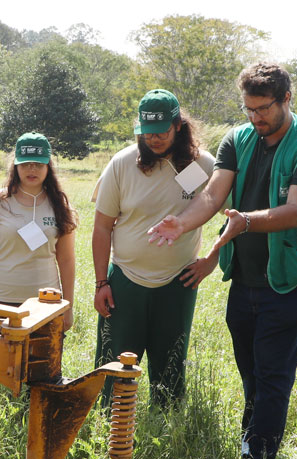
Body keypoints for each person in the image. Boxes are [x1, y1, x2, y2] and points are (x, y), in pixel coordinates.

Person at [146, 63, 297, 459]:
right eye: (248, 109)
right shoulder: (239, 138)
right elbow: (214, 194)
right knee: (251, 372)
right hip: (245, 281)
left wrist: (246, 221)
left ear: (287, 98)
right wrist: (183, 221)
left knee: (272, 377)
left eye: (263, 109)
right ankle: (252, 443)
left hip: (288, 284)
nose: (255, 118)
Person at [91, 89, 216, 405]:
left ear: (178, 126)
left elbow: (234, 217)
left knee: (170, 374)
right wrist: (101, 283)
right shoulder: (121, 163)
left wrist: (212, 260)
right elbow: (102, 227)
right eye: (147, 133)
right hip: (125, 281)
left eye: (161, 131)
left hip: (178, 283)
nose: (154, 139)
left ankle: (168, 430)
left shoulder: (202, 165)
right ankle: (109, 425)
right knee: (114, 370)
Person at [0, 133, 77, 387]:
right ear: (16, 165)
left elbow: (67, 260)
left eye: (38, 163)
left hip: (44, 305)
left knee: (41, 380)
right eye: (25, 163)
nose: (32, 169)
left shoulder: (60, 206)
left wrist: (67, 305)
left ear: (49, 166)